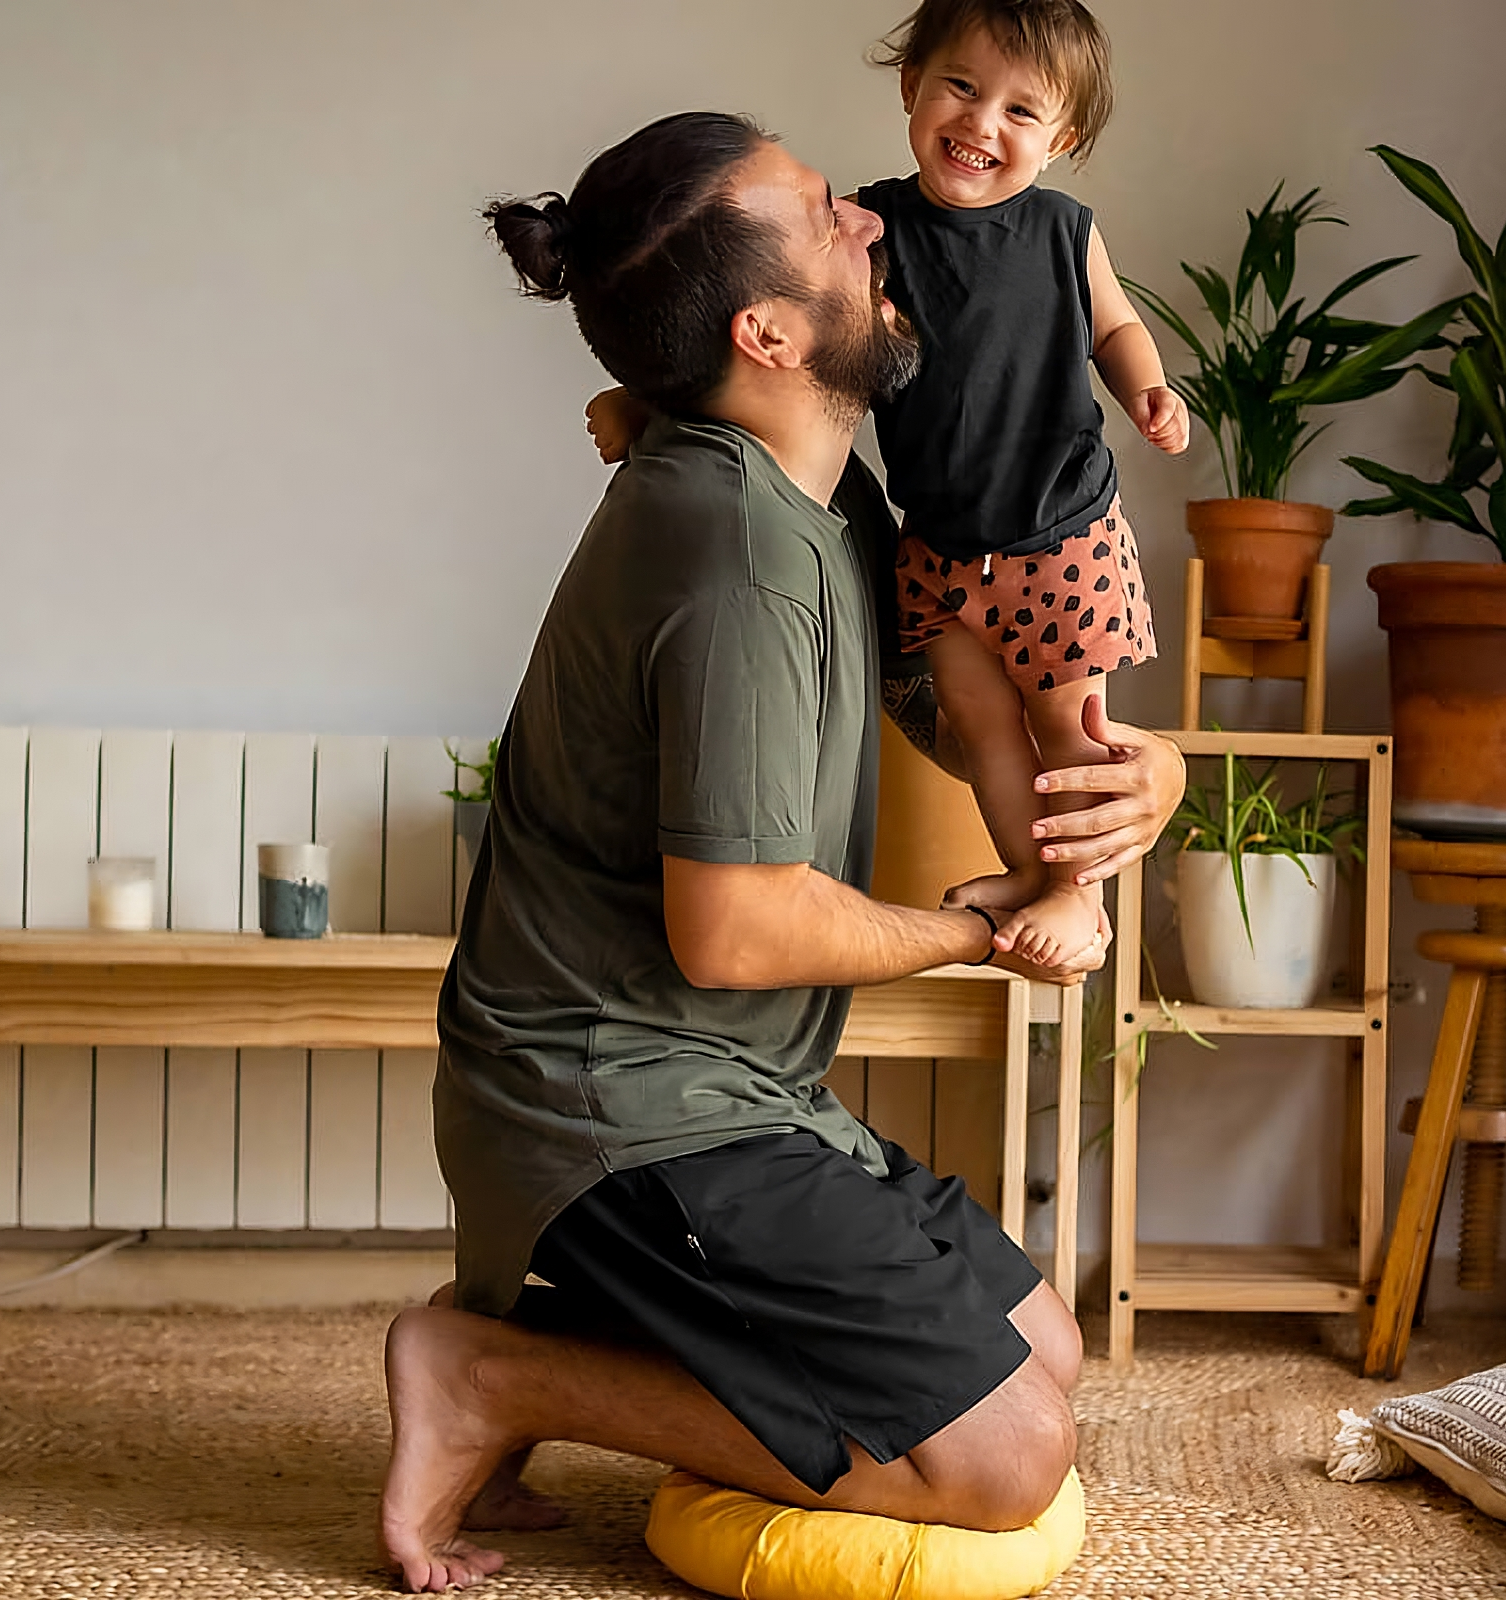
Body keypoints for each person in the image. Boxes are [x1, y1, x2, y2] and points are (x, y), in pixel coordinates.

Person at [377, 111, 1184, 1594]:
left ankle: (566, 1345)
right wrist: (979, 927)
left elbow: (950, 705)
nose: (880, 224)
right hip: (614, 1104)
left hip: (736, 1088)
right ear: (766, 330)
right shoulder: (732, 549)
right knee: (1007, 1463)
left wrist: (1149, 776)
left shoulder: (822, 507)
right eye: (833, 220)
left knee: (1044, 1347)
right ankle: (491, 1374)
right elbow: (737, 935)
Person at [589, 0, 1187, 971]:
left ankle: (1075, 893)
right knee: (987, 731)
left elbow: (1116, 328)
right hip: (942, 546)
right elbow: (757, 324)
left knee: (1066, 725)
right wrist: (641, 394)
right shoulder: (882, 230)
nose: (982, 123)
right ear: (911, 86)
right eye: (960, 86)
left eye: (1021, 111)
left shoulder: (1065, 233)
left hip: (1060, 532)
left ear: (1063, 137)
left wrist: (1149, 386)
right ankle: (1035, 875)